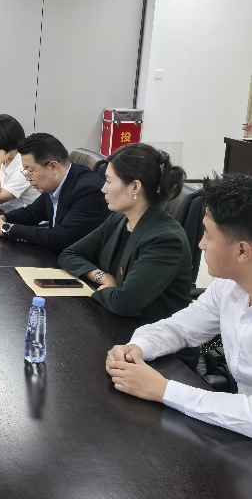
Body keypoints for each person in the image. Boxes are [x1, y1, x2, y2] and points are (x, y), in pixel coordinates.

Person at [105, 174, 252, 439]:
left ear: (242, 251)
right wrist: (137, 348)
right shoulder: (228, 286)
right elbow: (180, 328)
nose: (201, 244)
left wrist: (164, 390)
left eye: (208, 234)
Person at [59, 144, 196, 366]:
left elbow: (124, 303)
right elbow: (69, 254)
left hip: (159, 351)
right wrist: (102, 277)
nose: (103, 189)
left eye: (109, 181)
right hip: (117, 327)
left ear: (135, 186)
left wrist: (102, 291)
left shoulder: (164, 238)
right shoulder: (120, 219)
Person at [0, 132, 108, 254]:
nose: (27, 178)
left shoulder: (89, 191)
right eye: (25, 171)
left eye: (31, 171)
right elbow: (32, 213)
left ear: (53, 166)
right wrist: (0, 219)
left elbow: (61, 238)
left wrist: (6, 228)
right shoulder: (57, 182)